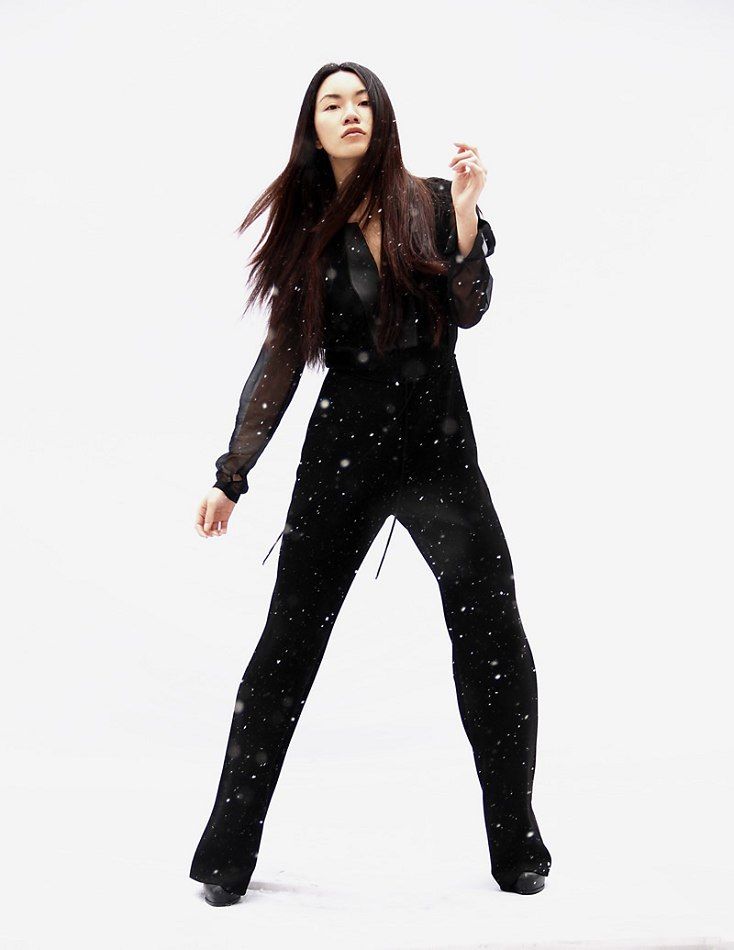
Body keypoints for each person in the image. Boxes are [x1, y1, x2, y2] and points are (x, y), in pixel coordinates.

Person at [190, 61, 552, 906]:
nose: (349, 112)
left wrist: (466, 217)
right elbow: (283, 357)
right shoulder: (304, 228)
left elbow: (469, 307)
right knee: (287, 645)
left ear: (382, 118)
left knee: (493, 634)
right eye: (332, 103)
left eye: (362, 101)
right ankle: (225, 856)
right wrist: (232, 475)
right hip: (342, 449)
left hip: (437, 447)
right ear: (313, 128)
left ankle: (518, 846)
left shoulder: (432, 200)